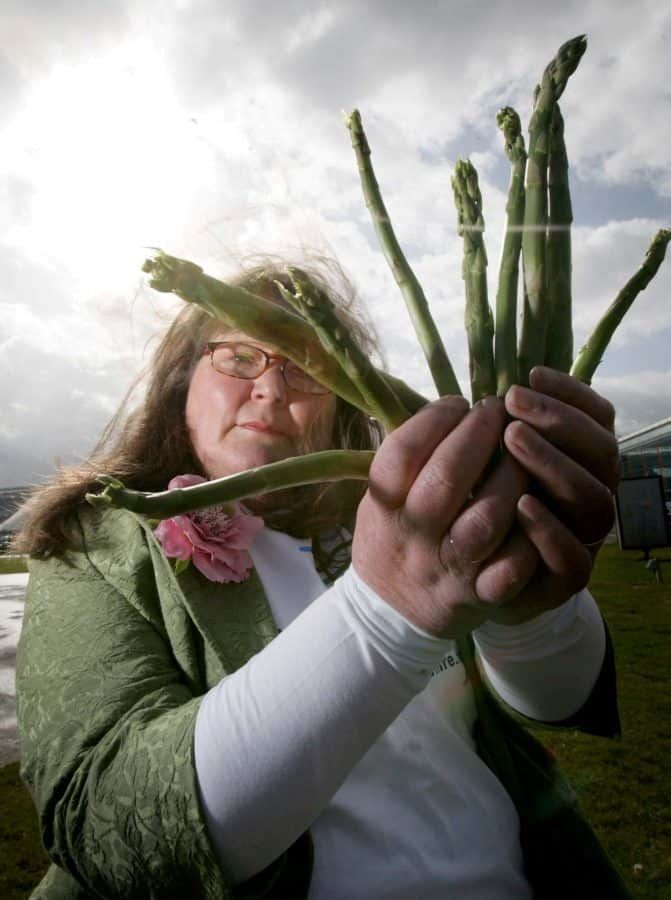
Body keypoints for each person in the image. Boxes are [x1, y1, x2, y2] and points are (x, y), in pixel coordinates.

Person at [15, 257, 628, 899]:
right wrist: (387, 610)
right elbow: (107, 828)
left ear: (342, 396)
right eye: (241, 356)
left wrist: (530, 606)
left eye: (304, 365)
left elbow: (556, 702)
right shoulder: (95, 539)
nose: (272, 390)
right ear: (182, 378)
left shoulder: (404, 508)